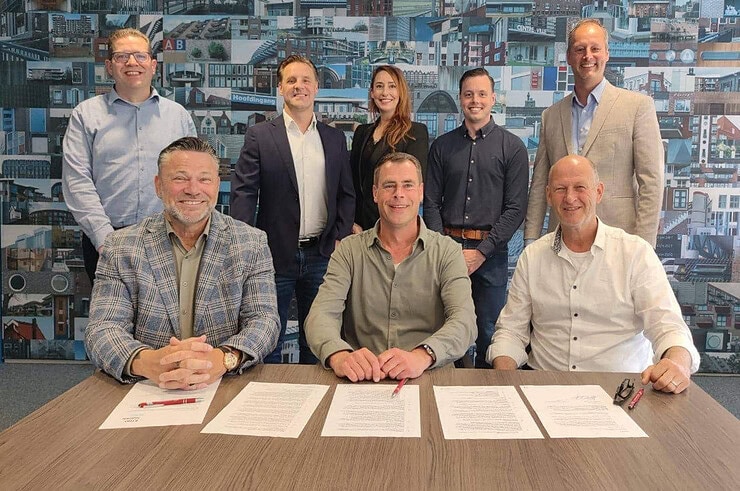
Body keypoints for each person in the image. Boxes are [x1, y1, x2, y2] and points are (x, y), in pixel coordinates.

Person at [487, 155, 699, 393]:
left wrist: (678, 362)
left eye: (580, 187)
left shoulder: (635, 253)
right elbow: (511, 331)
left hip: (620, 389)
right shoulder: (532, 256)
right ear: (548, 195)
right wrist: (504, 379)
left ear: (598, 192)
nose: (570, 198)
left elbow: (669, 327)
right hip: (545, 386)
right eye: (560, 189)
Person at [85, 137, 279, 388]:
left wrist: (224, 358)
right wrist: (147, 362)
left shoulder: (251, 242)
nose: (193, 189)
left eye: (204, 179)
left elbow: (264, 321)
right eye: (180, 178)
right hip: (147, 387)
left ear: (217, 184)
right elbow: (102, 328)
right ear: (158, 185)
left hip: (223, 383)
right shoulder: (120, 246)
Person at [306, 152, 476, 382]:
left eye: (408, 185)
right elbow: (321, 315)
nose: (399, 194)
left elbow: (464, 321)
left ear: (421, 192)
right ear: (375, 193)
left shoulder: (447, 252)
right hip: (362, 380)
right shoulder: (349, 251)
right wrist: (339, 355)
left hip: (427, 376)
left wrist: (422, 356)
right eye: (389, 186)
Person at [230, 55, 354, 365]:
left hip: (322, 255)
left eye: (306, 80)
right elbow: (244, 193)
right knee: (268, 340)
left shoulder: (334, 138)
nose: (299, 86)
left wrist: (339, 237)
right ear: (281, 88)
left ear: (316, 87)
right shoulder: (260, 135)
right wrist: (245, 245)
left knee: (318, 341)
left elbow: (346, 193)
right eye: (292, 80)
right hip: (272, 255)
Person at [63, 27, 197, 284]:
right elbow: (76, 181)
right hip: (107, 240)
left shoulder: (178, 116)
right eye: (122, 56)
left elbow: (193, 181)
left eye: (140, 56)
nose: (132, 63)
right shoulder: (85, 115)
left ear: (153, 65)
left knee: (172, 311)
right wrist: (105, 240)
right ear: (109, 66)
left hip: (169, 240)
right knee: (112, 311)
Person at [525, 19, 663, 247]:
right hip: (561, 241)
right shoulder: (551, 116)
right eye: (580, 49)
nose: (588, 56)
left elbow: (651, 182)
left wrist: (644, 247)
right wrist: (530, 239)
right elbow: (540, 184)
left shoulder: (637, 107)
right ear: (569, 57)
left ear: (607, 54)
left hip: (618, 241)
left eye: (595, 48)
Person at [424, 67, 529, 368]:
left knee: (488, 333)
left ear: (493, 98)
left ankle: (483, 395)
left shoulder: (513, 148)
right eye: (469, 94)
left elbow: (515, 209)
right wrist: (446, 249)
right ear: (460, 98)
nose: (475, 100)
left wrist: (481, 253)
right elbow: (430, 203)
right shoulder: (441, 147)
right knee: (446, 331)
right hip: (447, 252)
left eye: (482, 94)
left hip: (491, 255)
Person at [350, 65, 428, 232]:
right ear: (372, 93)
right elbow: (353, 184)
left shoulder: (415, 132)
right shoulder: (361, 132)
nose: (385, 92)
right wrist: (352, 222)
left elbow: (412, 188)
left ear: (401, 92)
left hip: (393, 228)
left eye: (392, 86)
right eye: (379, 86)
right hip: (359, 229)